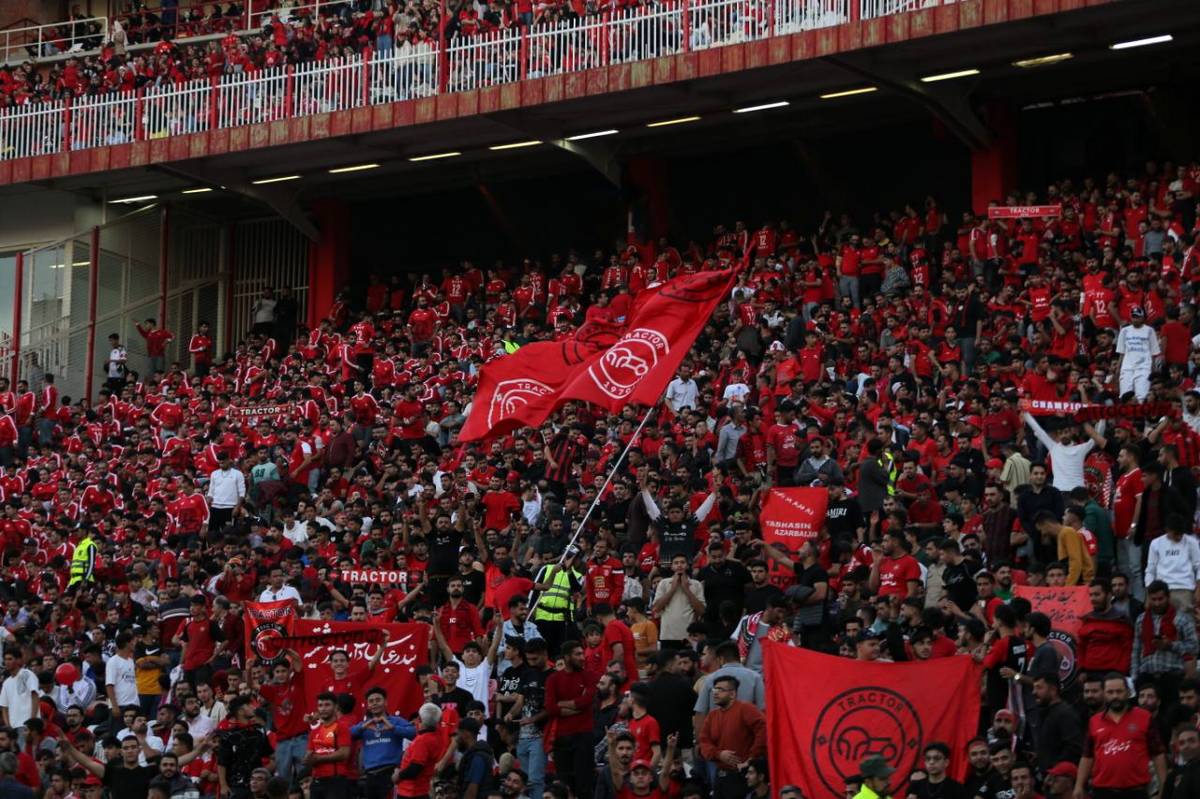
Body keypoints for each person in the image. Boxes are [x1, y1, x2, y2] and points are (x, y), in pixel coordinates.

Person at [1075, 672, 1167, 799]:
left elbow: (1158, 754)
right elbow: (1087, 756)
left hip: (1136, 792)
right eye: (1110, 692)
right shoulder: (1094, 721)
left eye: (1119, 691)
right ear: (1104, 694)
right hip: (1102, 792)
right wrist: (1079, 785)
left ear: (1128, 692)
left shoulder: (1144, 718)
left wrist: (1164, 786)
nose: (1115, 696)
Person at [698, 675, 766, 799]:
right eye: (715, 689)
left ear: (732, 694)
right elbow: (704, 742)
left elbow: (763, 730)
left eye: (721, 690)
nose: (716, 693)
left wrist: (751, 758)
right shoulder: (712, 716)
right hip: (720, 776)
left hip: (742, 776)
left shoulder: (745, 708)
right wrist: (719, 754)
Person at [1130, 580, 1197, 704]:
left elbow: (1194, 647)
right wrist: (1134, 677)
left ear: (1168, 597)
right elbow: (1136, 650)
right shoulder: (1141, 620)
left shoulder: (1182, 619)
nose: (1157, 603)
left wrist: (1171, 645)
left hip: (1173, 676)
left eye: (1160, 599)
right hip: (1147, 677)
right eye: (1153, 599)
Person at [544, 641, 595, 799]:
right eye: (577, 654)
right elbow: (550, 708)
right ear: (567, 657)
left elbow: (587, 701)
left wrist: (561, 704)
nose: (582, 657)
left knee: (584, 785)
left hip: (584, 736)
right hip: (562, 738)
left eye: (582, 653)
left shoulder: (589, 676)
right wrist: (576, 705)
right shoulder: (553, 679)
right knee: (564, 786)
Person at [351, 687, 416, 799]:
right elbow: (348, 735)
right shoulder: (365, 725)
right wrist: (362, 727)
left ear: (385, 702)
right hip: (370, 776)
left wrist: (393, 728)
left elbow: (413, 733)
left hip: (391, 774)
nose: (374, 703)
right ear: (368, 705)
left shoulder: (396, 721)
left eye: (378, 700)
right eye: (371, 701)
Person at [394, 703, 445, 799]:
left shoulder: (423, 741)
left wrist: (398, 776)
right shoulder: (437, 736)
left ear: (420, 719)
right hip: (421, 789)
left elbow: (415, 768)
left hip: (411, 792)